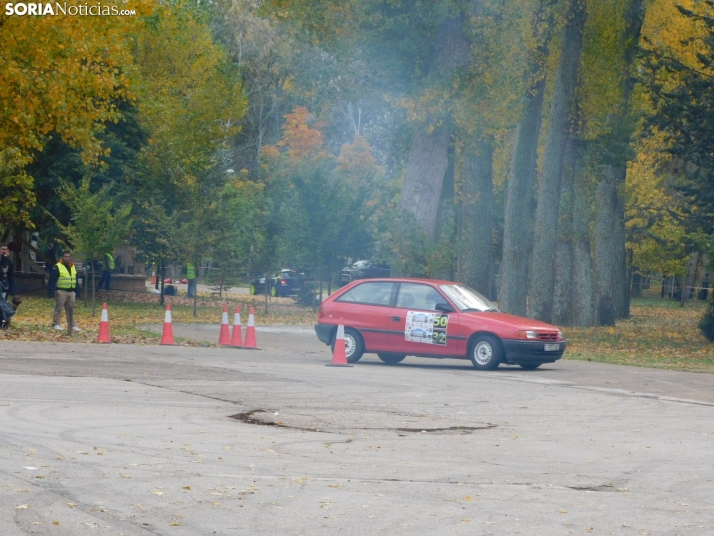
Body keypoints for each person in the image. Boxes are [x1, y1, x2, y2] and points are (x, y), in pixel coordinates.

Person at [48, 251, 81, 332]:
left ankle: (72, 325)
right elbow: (52, 280)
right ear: (62, 257)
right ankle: (56, 324)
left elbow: (75, 279)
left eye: (69, 257)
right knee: (58, 308)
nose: (67, 258)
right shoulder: (57, 266)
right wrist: (51, 291)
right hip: (61, 291)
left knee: (70, 309)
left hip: (71, 291)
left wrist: (77, 291)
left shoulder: (73, 266)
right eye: (65, 256)